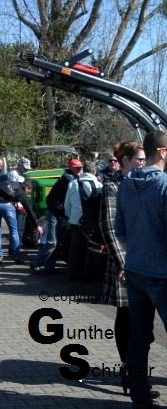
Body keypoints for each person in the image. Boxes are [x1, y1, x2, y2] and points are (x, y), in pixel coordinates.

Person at [115, 131, 167, 408]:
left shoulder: (126, 185)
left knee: (139, 337)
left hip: (135, 270)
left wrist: (135, 253)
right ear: (163, 151)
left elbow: (120, 229)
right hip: (161, 274)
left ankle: (140, 396)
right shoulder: (164, 185)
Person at [100, 141, 150, 398]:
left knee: (143, 322)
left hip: (145, 262)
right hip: (124, 262)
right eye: (139, 159)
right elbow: (109, 227)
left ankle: (137, 374)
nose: (143, 164)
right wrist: (124, 263)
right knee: (127, 316)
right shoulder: (112, 187)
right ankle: (128, 371)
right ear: (125, 160)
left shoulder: (146, 183)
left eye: (144, 160)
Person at [30, 158, 81, 275]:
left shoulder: (69, 177)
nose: (78, 169)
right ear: (71, 167)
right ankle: (35, 263)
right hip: (54, 212)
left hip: (59, 213)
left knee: (56, 242)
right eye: (76, 167)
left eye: (80, 168)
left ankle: (49, 267)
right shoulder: (69, 179)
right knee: (52, 242)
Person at [64, 160, 102, 280]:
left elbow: (67, 204)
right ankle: (89, 274)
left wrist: (69, 216)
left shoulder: (73, 184)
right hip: (92, 222)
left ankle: (73, 272)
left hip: (76, 221)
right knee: (91, 248)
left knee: (75, 247)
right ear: (94, 171)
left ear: (83, 170)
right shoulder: (99, 185)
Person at [0, 180, 43, 266]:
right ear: (26, 187)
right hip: (7, 206)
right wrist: (36, 225)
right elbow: (29, 209)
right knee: (14, 231)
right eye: (28, 192)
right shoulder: (20, 191)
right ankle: (16, 257)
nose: (28, 195)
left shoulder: (8, 183)